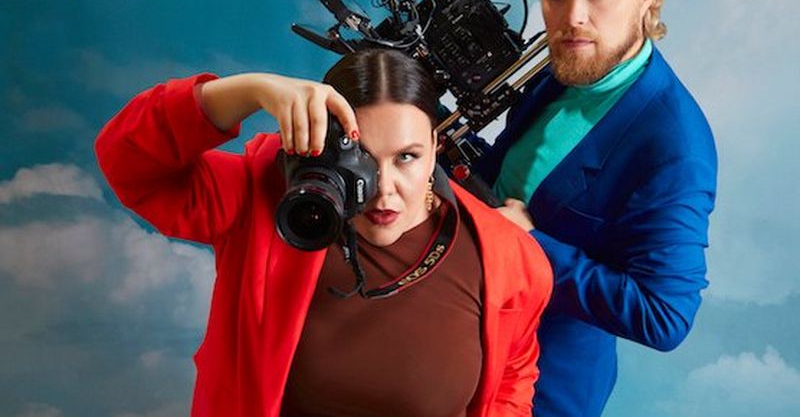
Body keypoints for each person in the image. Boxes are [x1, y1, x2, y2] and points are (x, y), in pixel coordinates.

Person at [95, 48, 553, 417]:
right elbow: (129, 162)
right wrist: (247, 91)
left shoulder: (511, 261)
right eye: (363, 159)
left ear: (436, 145)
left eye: (407, 157)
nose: (384, 190)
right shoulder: (265, 200)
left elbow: (510, 387)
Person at [478, 0, 718, 416]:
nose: (572, 19)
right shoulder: (563, 68)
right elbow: (511, 179)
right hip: (466, 342)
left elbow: (663, 317)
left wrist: (528, 244)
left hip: (543, 388)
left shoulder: (674, 143)